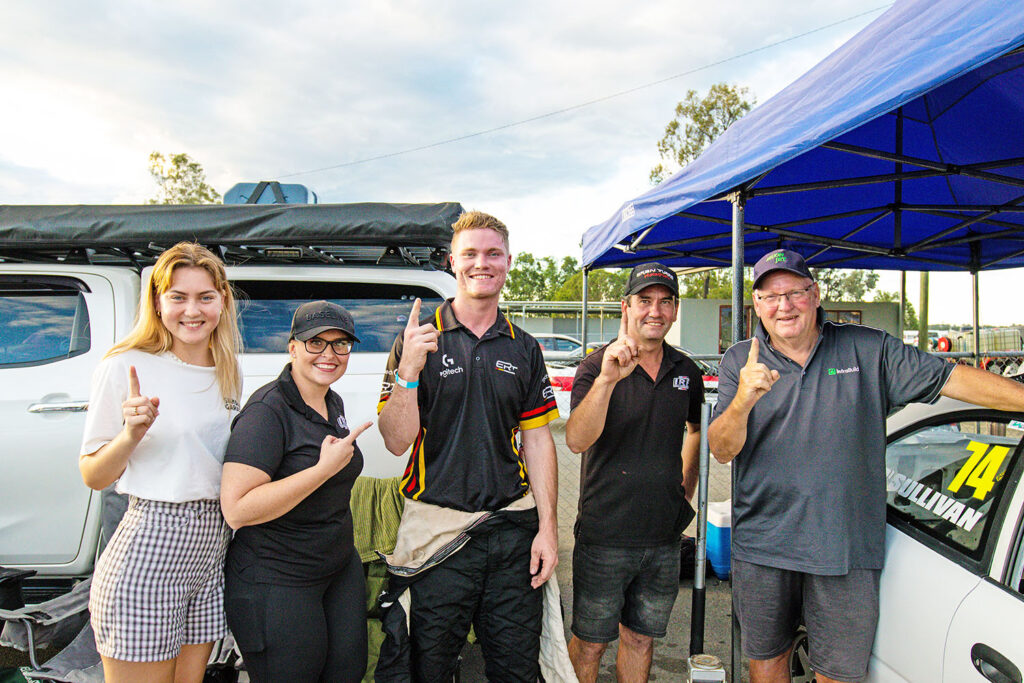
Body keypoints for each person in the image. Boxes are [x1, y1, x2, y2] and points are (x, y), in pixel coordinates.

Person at [707, 248, 1024, 683]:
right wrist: (743, 399)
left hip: (846, 548)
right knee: (767, 664)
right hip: (765, 545)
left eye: (796, 292)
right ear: (757, 305)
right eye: (771, 296)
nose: (785, 306)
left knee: (839, 673)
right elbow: (722, 449)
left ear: (815, 295)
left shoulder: (868, 349)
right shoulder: (739, 362)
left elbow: (953, 379)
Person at [376, 210, 560, 682]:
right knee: (428, 668)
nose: (483, 263)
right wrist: (409, 371)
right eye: (471, 254)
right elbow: (396, 441)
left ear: (508, 262)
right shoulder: (417, 339)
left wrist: (548, 529)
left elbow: (537, 440)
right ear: (451, 262)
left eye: (493, 253)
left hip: (511, 530)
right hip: (440, 534)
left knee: (516, 669)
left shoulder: (524, 346)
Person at [79, 242, 241, 683]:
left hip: (212, 549)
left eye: (205, 297)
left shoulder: (228, 368)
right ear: (156, 301)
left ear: (222, 300)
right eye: (178, 297)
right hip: (152, 543)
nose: (193, 310)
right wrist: (131, 434)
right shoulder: (126, 365)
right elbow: (94, 475)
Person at [564, 263, 704, 683]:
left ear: (676, 310)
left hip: (663, 538)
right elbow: (575, 440)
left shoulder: (686, 371)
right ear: (626, 307)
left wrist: (686, 488)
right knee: (590, 643)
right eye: (644, 301)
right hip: (605, 535)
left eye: (665, 302)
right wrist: (608, 380)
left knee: (642, 640)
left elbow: (698, 430)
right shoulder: (595, 367)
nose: (654, 311)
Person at [220, 301, 372, 683]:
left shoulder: (329, 401)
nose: (329, 354)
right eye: (315, 343)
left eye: (341, 345)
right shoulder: (267, 411)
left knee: (346, 675)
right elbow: (237, 509)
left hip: (337, 569)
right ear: (292, 347)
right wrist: (321, 472)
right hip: (278, 577)